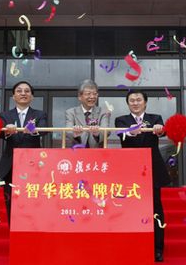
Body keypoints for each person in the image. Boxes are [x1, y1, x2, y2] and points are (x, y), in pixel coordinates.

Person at [115, 90, 171, 263]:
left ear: (145, 102)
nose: (135, 103)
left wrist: (159, 130)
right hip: (130, 170)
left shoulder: (155, 118)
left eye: (138, 100)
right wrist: (132, 132)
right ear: (128, 103)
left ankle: (158, 249)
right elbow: (121, 134)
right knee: (130, 209)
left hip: (152, 169)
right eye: (131, 100)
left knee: (156, 209)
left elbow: (162, 132)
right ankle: (132, 247)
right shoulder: (121, 120)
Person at [0, 80, 47, 224]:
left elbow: (44, 130)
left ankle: (32, 227)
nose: (23, 93)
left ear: (32, 96)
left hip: (33, 164)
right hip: (11, 164)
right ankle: (11, 228)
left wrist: (32, 129)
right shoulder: (5, 115)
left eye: (27, 91)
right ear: (14, 96)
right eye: (19, 91)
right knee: (9, 199)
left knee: (32, 197)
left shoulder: (39, 114)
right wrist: (7, 131)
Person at [65, 79, 110, 148]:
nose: (92, 97)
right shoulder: (71, 112)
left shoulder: (103, 112)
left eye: (95, 94)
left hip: (98, 152)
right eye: (88, 94)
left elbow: (106, 131)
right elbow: (68, 131)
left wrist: (97, 134)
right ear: (80, 97)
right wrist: (75, 134)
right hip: (77, 151)